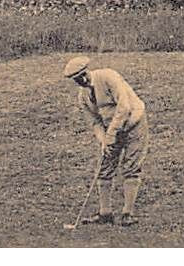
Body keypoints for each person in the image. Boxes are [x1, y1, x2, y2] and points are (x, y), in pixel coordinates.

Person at [62, 55, 148, 227]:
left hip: (134, 123)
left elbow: (124, 107)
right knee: (105, 167)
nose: (83, 82)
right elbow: (95, 122)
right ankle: (105, 213)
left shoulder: (109, 76)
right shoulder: (83, 97)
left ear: (87, 71)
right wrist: (103, 140)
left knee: (131, 166)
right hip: (111, 130)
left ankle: (127, 214)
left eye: (83, 77)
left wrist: (111, 135)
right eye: (77, 81)